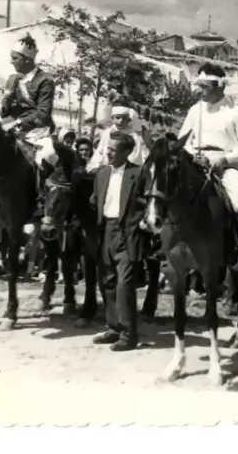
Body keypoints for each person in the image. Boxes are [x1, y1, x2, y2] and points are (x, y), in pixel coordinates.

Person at [178, 62, 238, 272]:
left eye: (205, 87)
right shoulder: (195, 110)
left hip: (225, 165)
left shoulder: (236, 112)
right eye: (199, 86)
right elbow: (182, 139)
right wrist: (193, 156)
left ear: (219, 86)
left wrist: (225, 160)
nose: (200, 91)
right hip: (196, 161)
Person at [89, 131, 150, 352]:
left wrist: (140, 224)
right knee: (107, 281)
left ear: (127, 152)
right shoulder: (102, 173)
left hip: (128, 233)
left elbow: (148, 204)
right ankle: (113, 328)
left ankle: (128, 335)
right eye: (108, 149)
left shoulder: (139, 173)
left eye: (113, 150)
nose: (108, 153)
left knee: (125, 284)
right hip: (106, 231)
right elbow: (95, 201)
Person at [0, 32, 57, 171]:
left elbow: (43, 113)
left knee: (46, 158)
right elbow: (4, 113)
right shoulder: (12, 79)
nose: (11, 62)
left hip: (36, 131)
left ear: (26, 60)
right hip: (10, 129)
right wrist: (6, 101)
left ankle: (43, 185)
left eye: (15, 58)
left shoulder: (44, 80)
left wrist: (18, 123)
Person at [88, 103, 149, 171]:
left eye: (124, 118)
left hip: (125, 170)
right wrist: (95, 167)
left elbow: (135, 157)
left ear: (129, 119)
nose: (121, 121)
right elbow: (99, 152)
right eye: (117, 117)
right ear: (112, 118)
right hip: (106, 170)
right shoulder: (107, 133)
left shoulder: (134, 137)